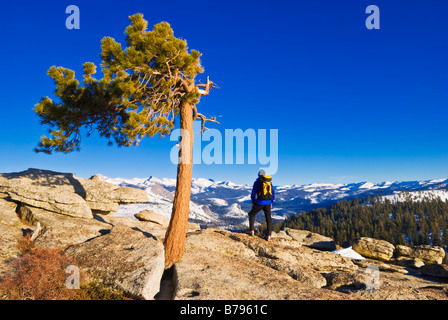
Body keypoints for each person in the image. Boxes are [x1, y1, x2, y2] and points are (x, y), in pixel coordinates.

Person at [248, 169, 275, 241]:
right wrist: (271, 202)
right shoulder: (269, 182)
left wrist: (253, 202)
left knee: (251, 214)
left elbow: (253, 194)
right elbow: (273, 192)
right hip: (268, 202)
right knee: (268, 219)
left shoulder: (257, 182)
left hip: (260, 202)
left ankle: (251, 231)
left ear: (258, 175)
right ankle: (268, 235)